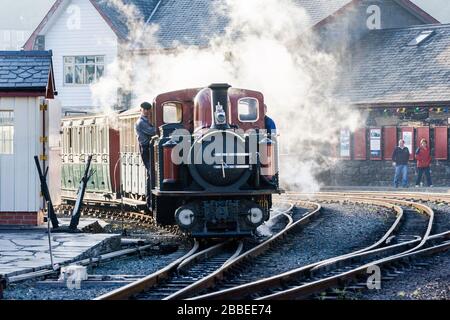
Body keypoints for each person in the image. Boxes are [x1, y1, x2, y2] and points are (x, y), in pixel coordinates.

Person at [135, 102, 156, 210]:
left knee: (151, 174)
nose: (147, 111)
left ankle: (150, 201)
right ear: (141, 110)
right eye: (145, 109)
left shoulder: (147, 121)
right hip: (146, 148)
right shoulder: (141, 122)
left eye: (148, 109)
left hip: (149, 148)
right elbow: (153, 132)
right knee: (151, 173)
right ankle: (149, 202)